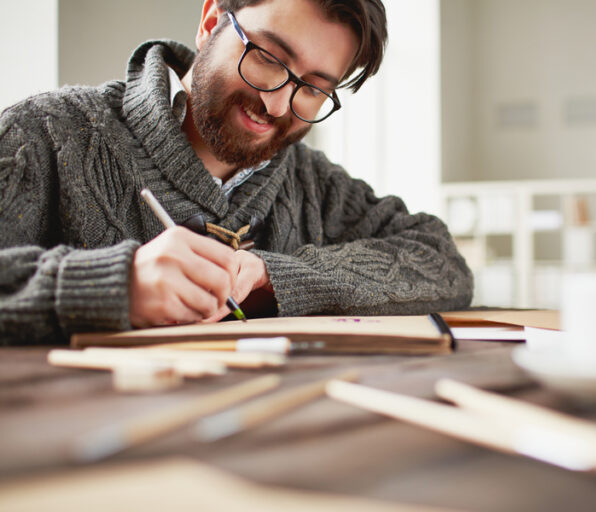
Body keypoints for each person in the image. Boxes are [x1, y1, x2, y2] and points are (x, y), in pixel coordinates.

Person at [0, 0, 472, 346]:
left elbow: (441, 260)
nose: (277, 103)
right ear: (210, 22)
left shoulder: (311, 182)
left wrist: (274, 277)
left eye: (311, 88)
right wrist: (113, 286)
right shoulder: (43, 133)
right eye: (267, 58)